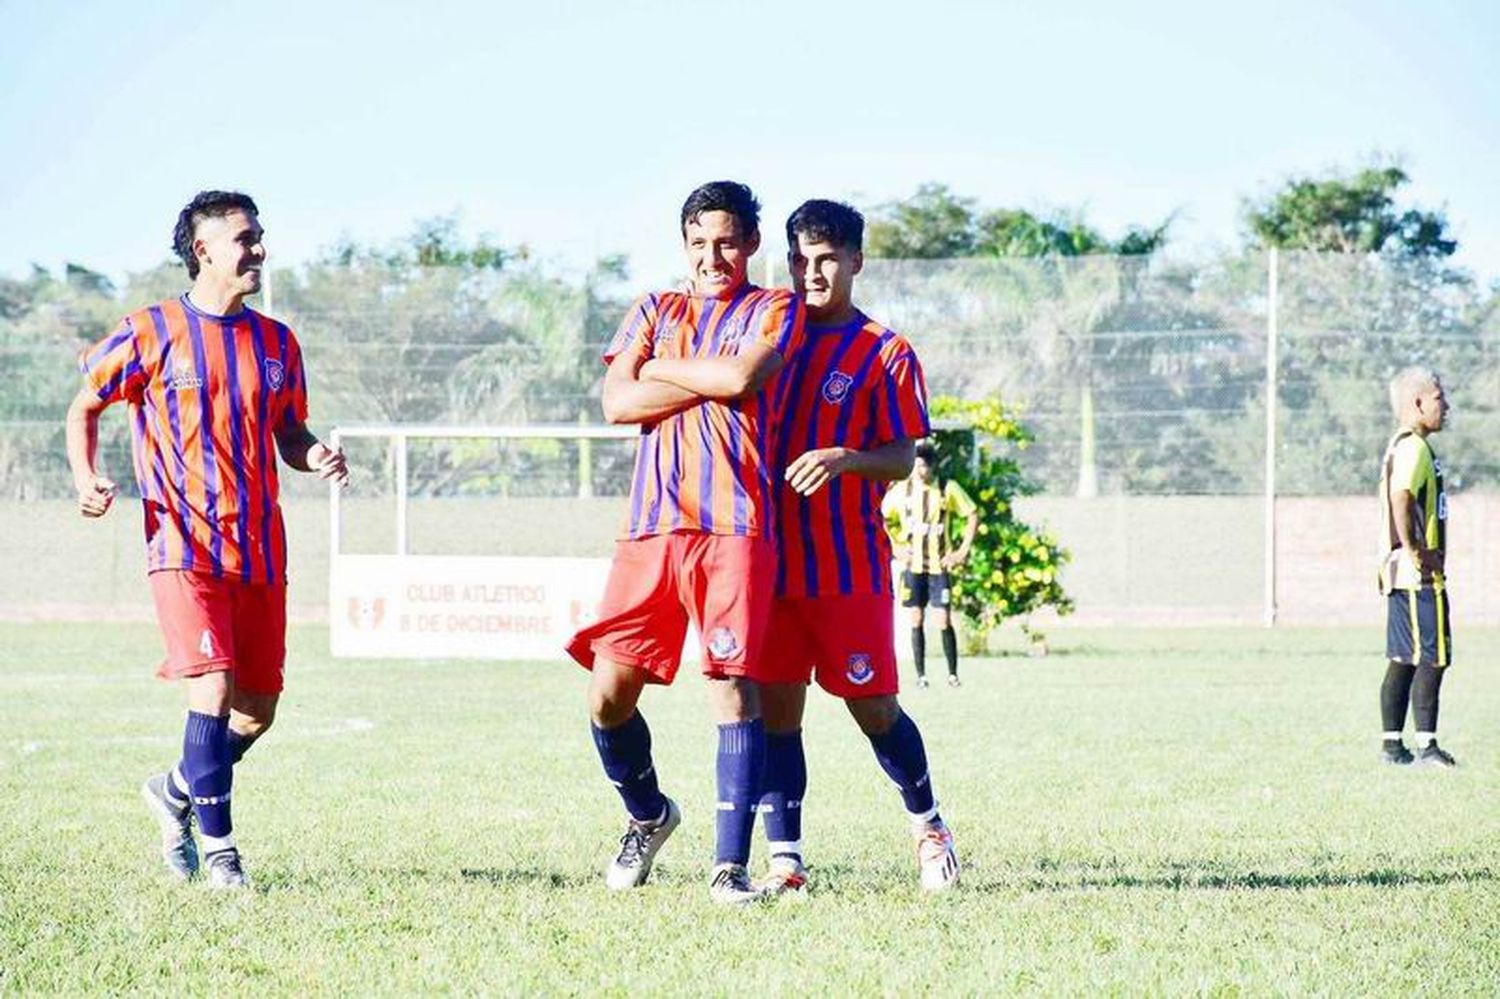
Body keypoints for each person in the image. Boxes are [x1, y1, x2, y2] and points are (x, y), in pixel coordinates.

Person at [64, 191, 348, 889]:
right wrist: (84, 476)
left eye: (260, 237)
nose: (258, 250)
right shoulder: (150, 330)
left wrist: (312, 455)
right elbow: (86, 404)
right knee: (212, 689)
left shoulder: (279, 342)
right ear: (205, 251)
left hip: (259, 550)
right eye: (245, 239)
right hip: (182, 546)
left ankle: (175, 790)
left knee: (256, 712)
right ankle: (221, 853)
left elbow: (289, 432)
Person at [565, 181, 806, 904]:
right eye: (699, 243)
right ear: (684, 246)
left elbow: (740, 377)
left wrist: (659, 368)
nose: (712, 256)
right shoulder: (654, 307)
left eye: (727, 241)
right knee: (607, 696)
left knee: (733, 690)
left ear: (752, 244)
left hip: (734, 526)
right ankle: (648, 813)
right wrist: (696, 377)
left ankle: (728, 870)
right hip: (651, 527)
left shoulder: (774, 308)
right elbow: (617, 401)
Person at [752, 198, 959, 894]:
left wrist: (844, 456)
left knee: (875, 709)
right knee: (777, 711)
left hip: (850, 567)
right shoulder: (768, 339)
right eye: (801, 259)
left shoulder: (885, 351)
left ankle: (929, 825)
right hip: (775, 565)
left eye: (828, 258)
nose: (813, 272)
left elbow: (902, 455)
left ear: (856, 261)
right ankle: (785, 858)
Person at [1377, 367, 1456, 767]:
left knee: (1405, 656)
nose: (1446, 406)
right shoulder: (1413, 448)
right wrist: (1415, 550)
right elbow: (1401, 496)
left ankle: (1393, 747)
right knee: (1433, 655)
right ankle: (1427, 747)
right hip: (1417, 574)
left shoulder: (1406, 445)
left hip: (1400, 573)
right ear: (1418, 402)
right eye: (1440, 398)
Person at [884, 441, 979, 687]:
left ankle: (952, 674)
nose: (920, 472)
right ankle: (921, 676)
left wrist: (961, 551)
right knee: (915, 618)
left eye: (924, 467)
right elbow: (880, 517)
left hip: (939, 567)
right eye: (916, 466)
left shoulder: (948, 488)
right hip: (913, 566)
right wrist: (895, 546)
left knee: (943, 619)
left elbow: (972, 514)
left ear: (932, 467)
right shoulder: (901, 491)